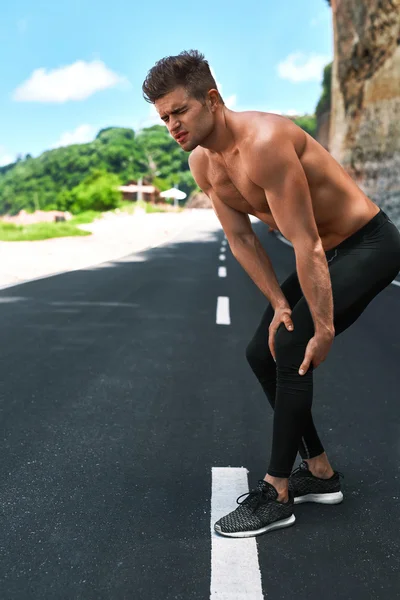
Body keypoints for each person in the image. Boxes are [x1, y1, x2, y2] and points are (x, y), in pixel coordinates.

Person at [142, 50, 400, 538]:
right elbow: (241, 239)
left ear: (211, 100)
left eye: (179, 112)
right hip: (325, 251)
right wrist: (280, 304)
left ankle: (277, 491)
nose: (172, 126)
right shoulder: (205, 164)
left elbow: (307, 243)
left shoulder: (264, 142)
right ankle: (319, 473)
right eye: (164, 118)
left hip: (367, 242)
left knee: (292, 343)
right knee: (260, 350)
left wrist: (321, 326)